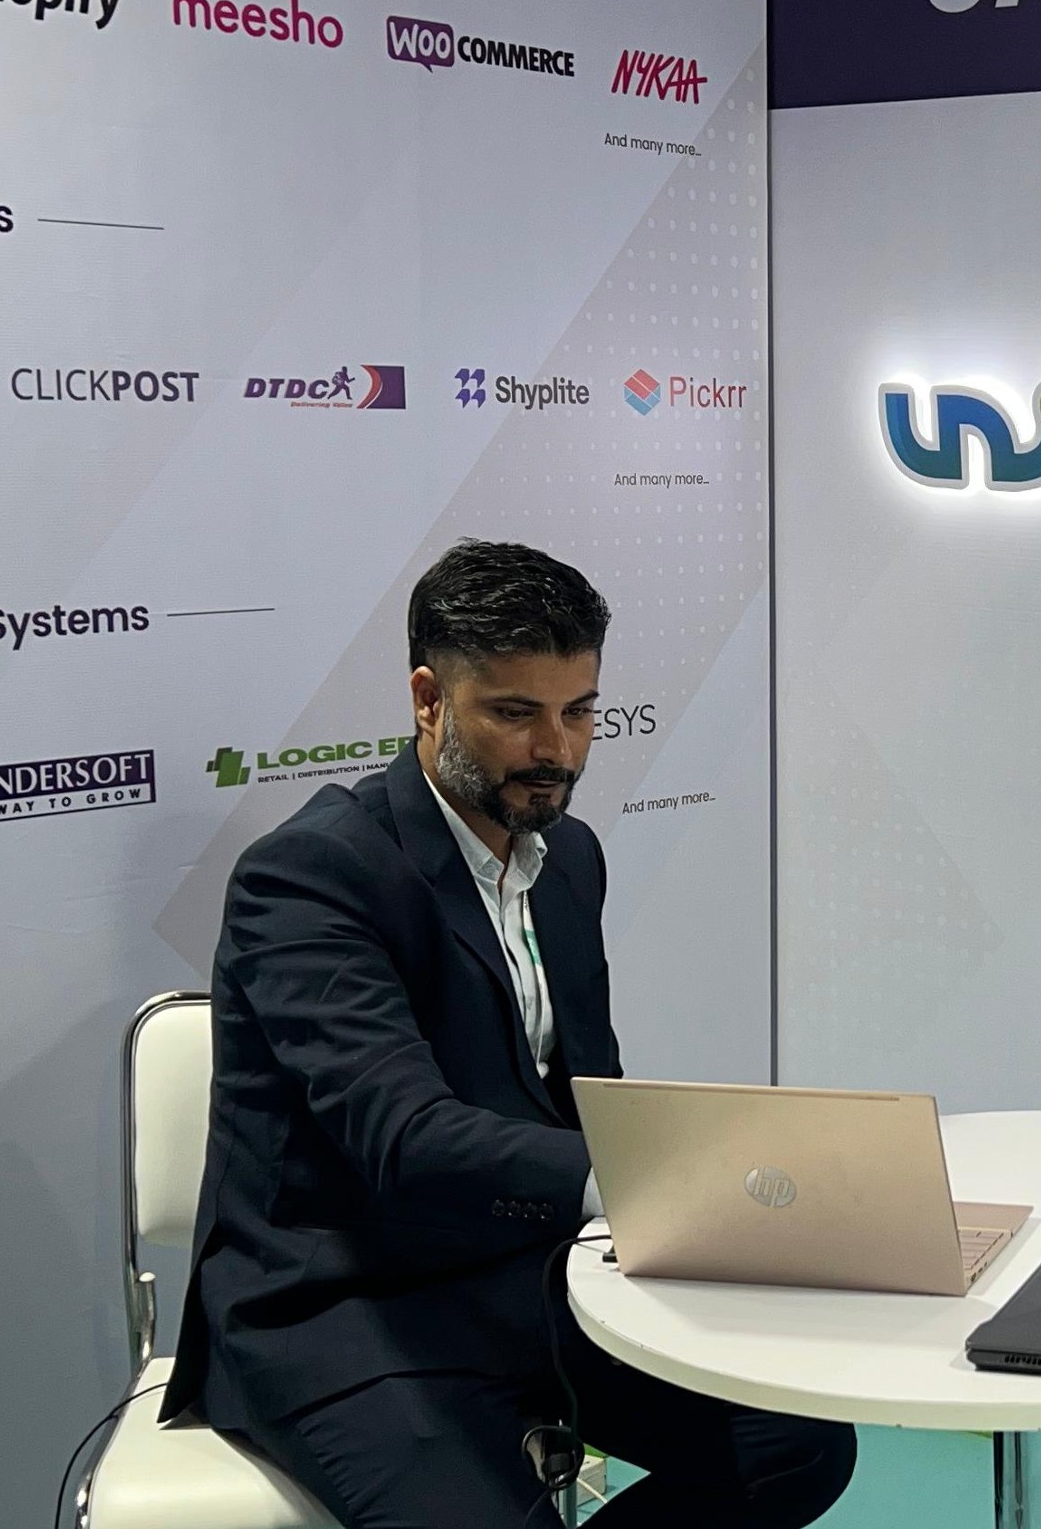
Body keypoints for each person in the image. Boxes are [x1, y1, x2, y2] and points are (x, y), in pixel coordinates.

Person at [161, 539, 855, 1529]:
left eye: (580, 711)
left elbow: (587, 1090)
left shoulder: (568, 858)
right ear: (429, 699)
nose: (556, 750)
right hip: (349, 1308)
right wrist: (645, 1181)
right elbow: (401, 1134)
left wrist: (722, 1194)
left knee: (797, 1441)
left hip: (531, 1280)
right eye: (516, 714)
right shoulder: (311, 874)